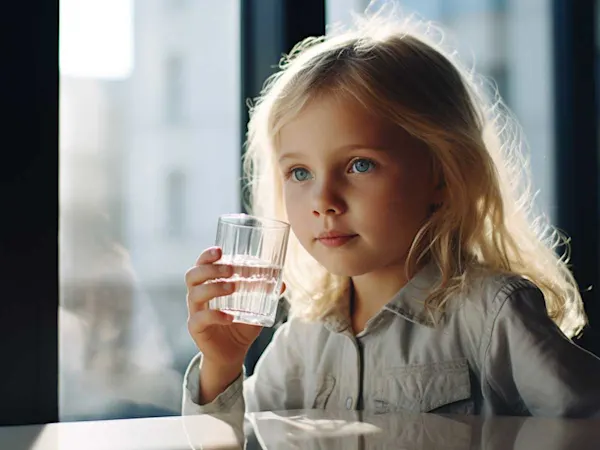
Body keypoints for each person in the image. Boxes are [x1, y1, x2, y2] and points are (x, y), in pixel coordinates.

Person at [182, 10, 600, 418]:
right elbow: (235, 440)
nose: (323, 199)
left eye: (359, 165)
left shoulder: (491, 315)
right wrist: (222, 363)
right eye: (300, 172)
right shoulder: (303, 338)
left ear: (441, 175)